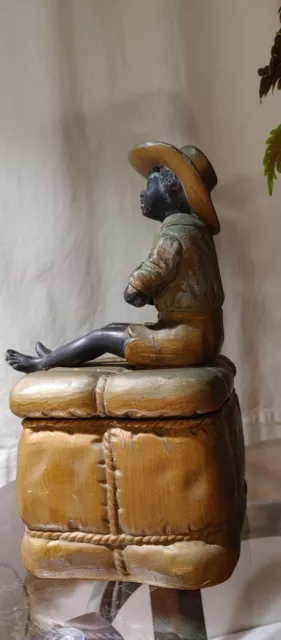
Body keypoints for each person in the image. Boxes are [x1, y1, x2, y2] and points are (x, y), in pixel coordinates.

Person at [5, 142, 224, 373]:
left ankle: (42, 364)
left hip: (186, 340)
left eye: (149, 185)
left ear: (172, 192)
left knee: (102, 337)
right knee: (111, 330)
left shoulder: (174, 234)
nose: (142, 193)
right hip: (205, 336)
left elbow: (143, 281)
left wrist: (135, 288)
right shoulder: (196, 231)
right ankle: (61, 356)